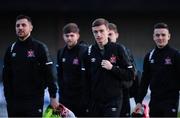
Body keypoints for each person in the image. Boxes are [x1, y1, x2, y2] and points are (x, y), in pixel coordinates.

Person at [2, 14, 59, 117]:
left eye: (23, 25)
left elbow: (49, 75)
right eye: (17, 25)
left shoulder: (39, 48)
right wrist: (8, 99)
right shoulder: (10, 49)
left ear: (31, 27)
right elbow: (6, 78)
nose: (20, 28)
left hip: (34, 102)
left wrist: (53, 97)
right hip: (14, 103)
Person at [83, 18, 134, 117]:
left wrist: (112, 68)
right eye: (95, 32)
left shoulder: (118, 49)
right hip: (95, 102)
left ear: (107, 31)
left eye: (101, 31)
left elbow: (130, 74)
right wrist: (87, 102)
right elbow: (86, 80)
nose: (98, 35)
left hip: (113, 100)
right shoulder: (89, 52)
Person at [134, 22, 180, 117]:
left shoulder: (175, 55)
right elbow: (145, 81)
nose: (160, 38)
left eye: (163, 35)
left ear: (169, 36)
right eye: (157, 35)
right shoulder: (149, 56)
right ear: (153, 37)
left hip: (171, 101)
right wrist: (139, 101)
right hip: (154, 101)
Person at [108, 22, 140, 117]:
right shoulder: (100, 52)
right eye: (107, 34)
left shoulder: (124, 51)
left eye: (111, 34)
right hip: (105, 96)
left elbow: (132, 74)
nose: (109, 37)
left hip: (122, 93)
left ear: (116, 35)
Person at [56, 23, 88, 117]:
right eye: (67, 36)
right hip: (65, 99)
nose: (69, 38)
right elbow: (59, 75)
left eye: (72, 35)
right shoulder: (61, 52)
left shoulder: (84, 51)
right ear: (63, 36)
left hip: (81, 98)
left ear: (77, 36)